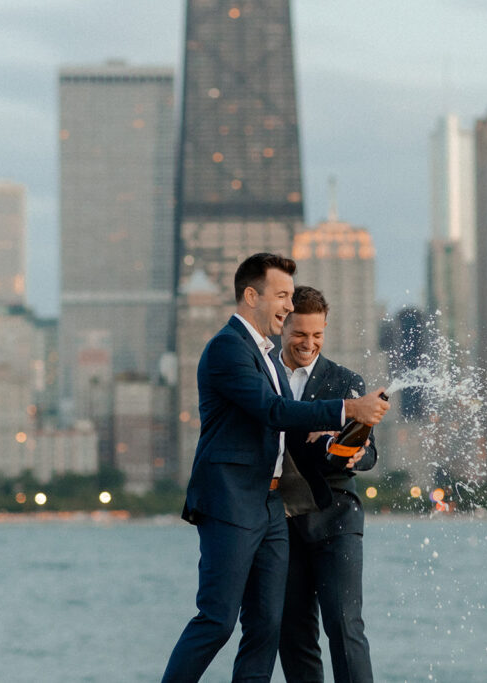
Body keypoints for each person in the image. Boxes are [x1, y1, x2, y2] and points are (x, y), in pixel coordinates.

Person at [162, 253, 389, 683]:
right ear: (252, 296)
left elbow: (290, 434)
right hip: (233, 501)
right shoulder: (229, 348)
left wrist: (340, 445)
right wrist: (345, 411)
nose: (287, 306)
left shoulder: (265, 354)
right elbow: (274, 411)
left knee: (266, 627)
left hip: (278, 509)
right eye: (281, 296)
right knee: (219, 621)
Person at [274, 286, 376, 683]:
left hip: (337, 518)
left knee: (345, 627)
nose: (309, 344)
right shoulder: (262, 375)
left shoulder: (346, 380)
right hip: (281, 522)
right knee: (294, 634)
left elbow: (370, 454)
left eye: (318, 335)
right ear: (282, 325)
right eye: (301, 334)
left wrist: (354, 453)